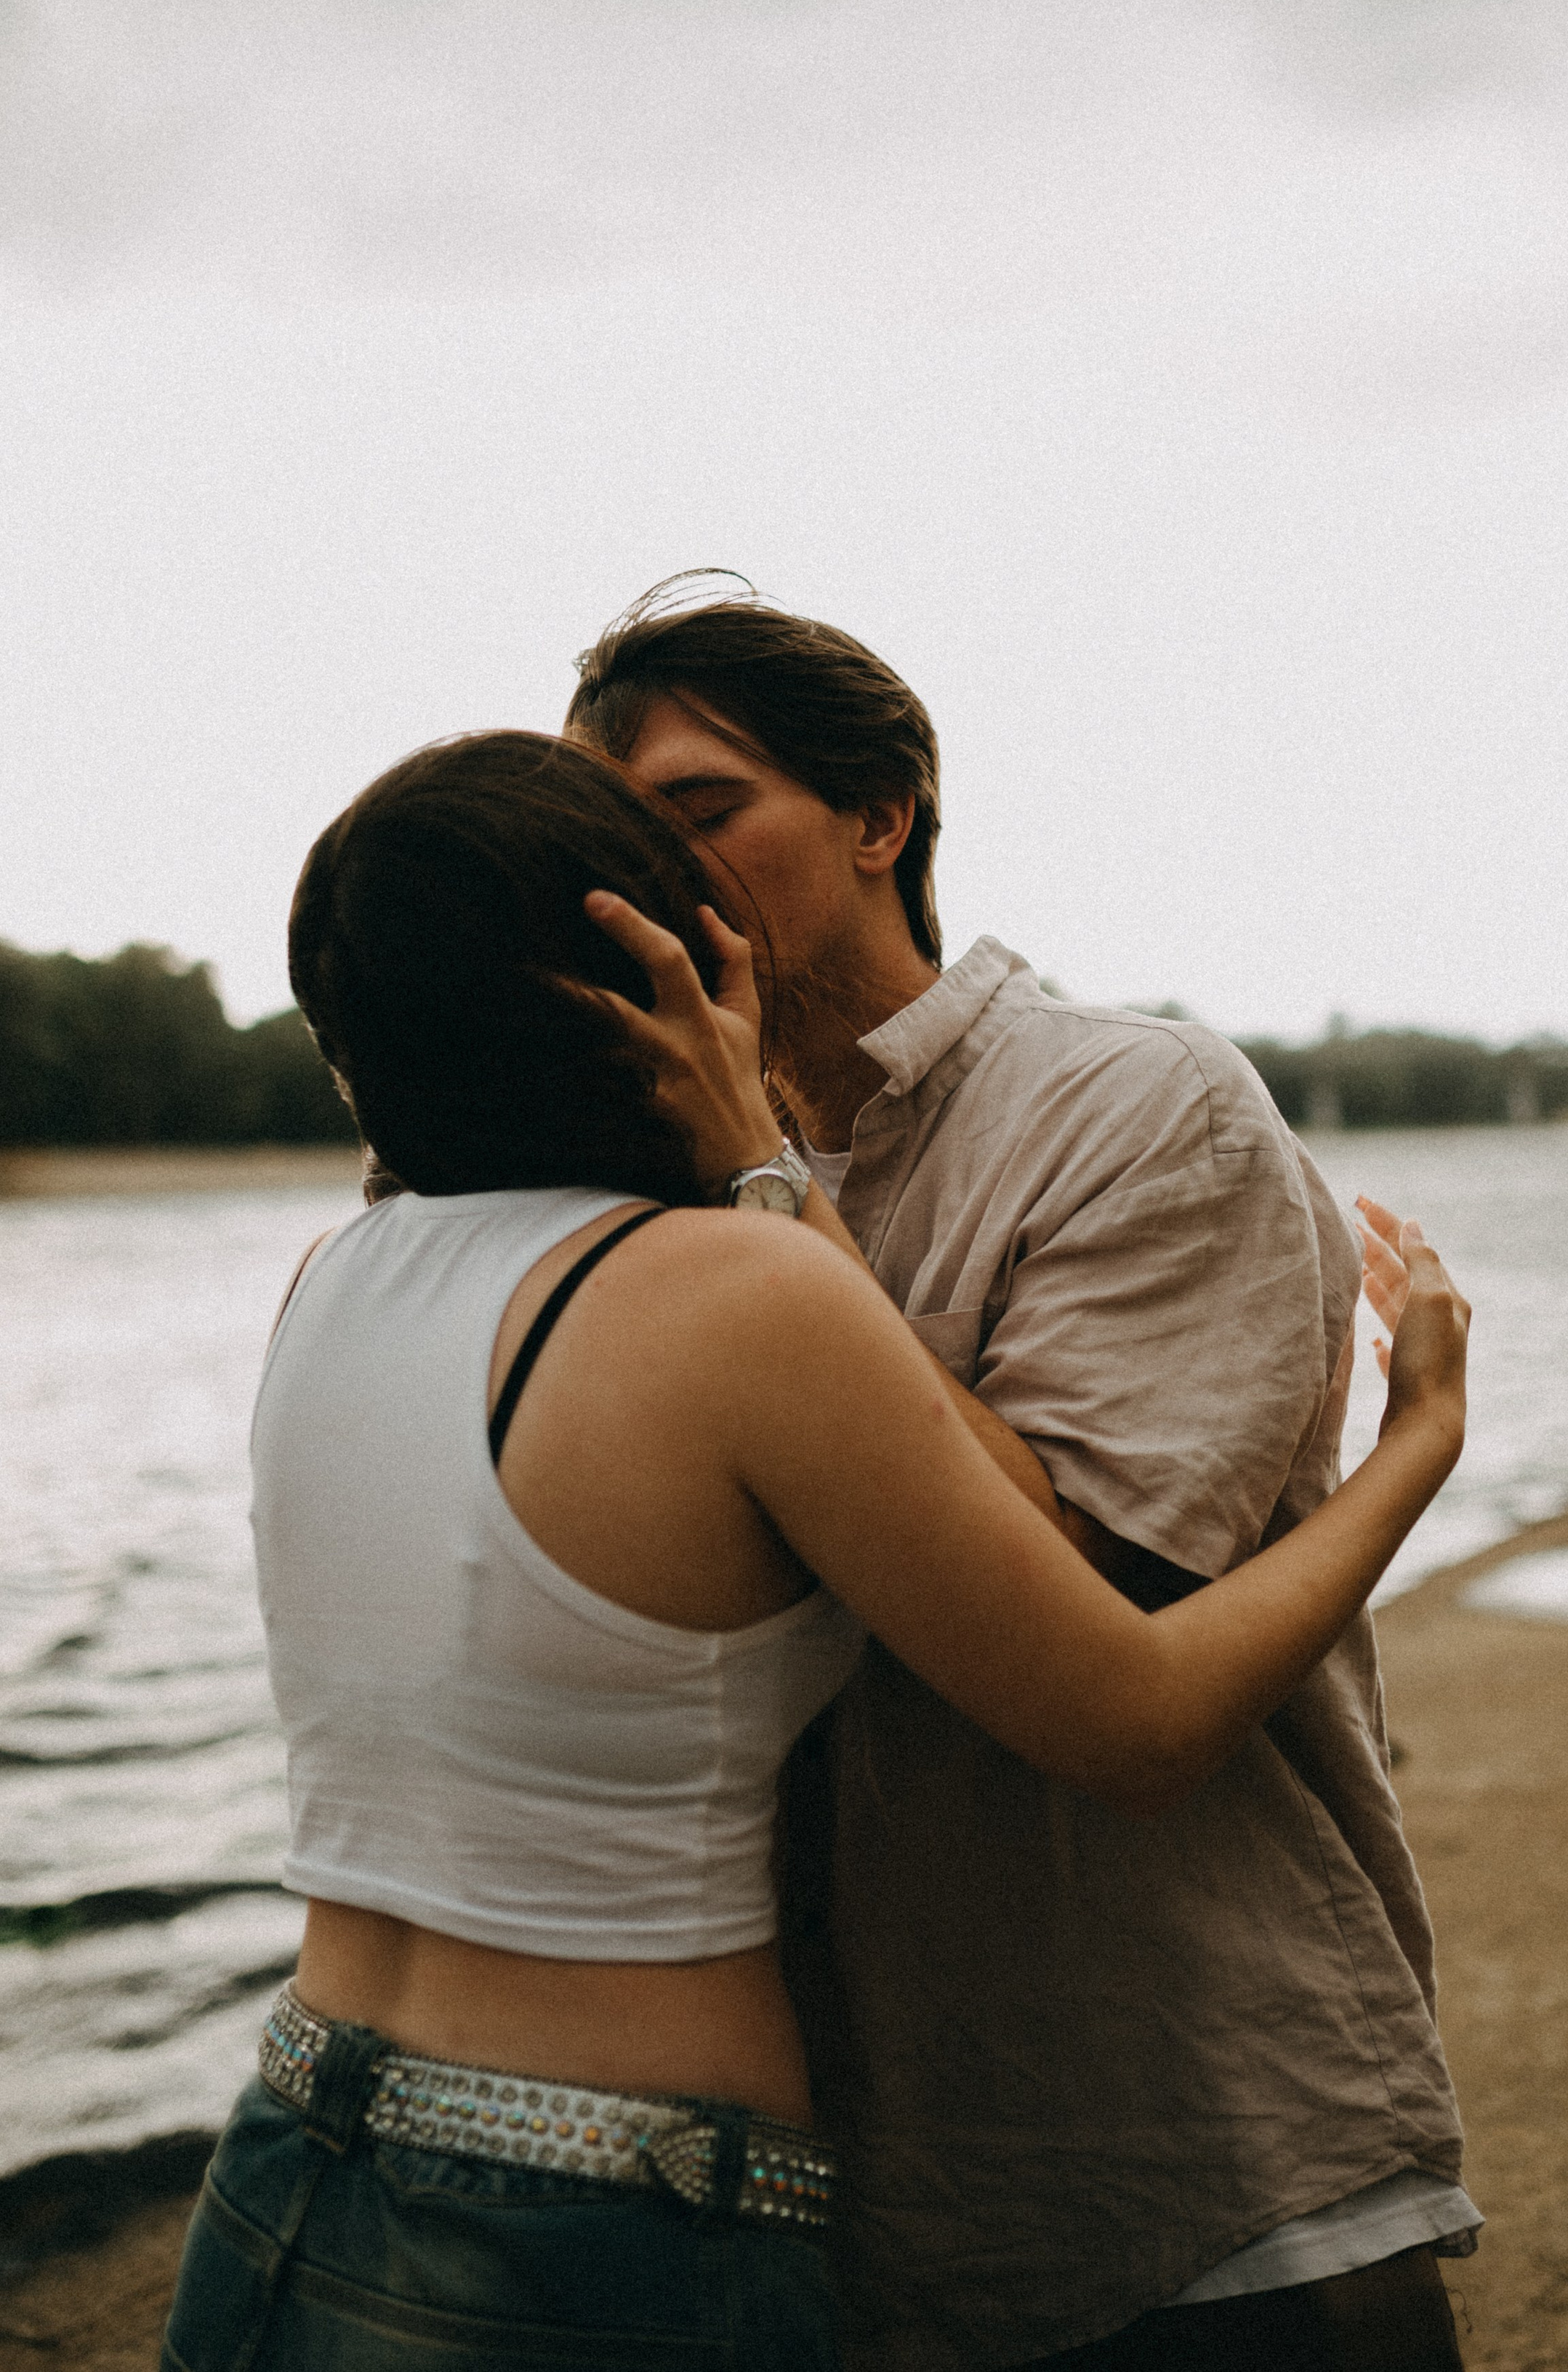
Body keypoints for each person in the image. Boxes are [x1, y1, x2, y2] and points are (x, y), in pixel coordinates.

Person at [161, 730, 1468, 2372]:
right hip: (599, 2196)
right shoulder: (744, 1295)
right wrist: (1414, 1445)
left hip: (295, 2131)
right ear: (668, 965)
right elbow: (1134, 1720)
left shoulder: (329, 1284)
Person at [564, 589, 1481, 2371]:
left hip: (1191, 2158)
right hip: (844, 2196)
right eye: (619, 835)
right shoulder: (630, 1162)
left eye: (703, 809)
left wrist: (765, 1186)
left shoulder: (1137, 1108)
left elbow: (1083, 1607)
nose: (661, 873)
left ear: (878, 813)